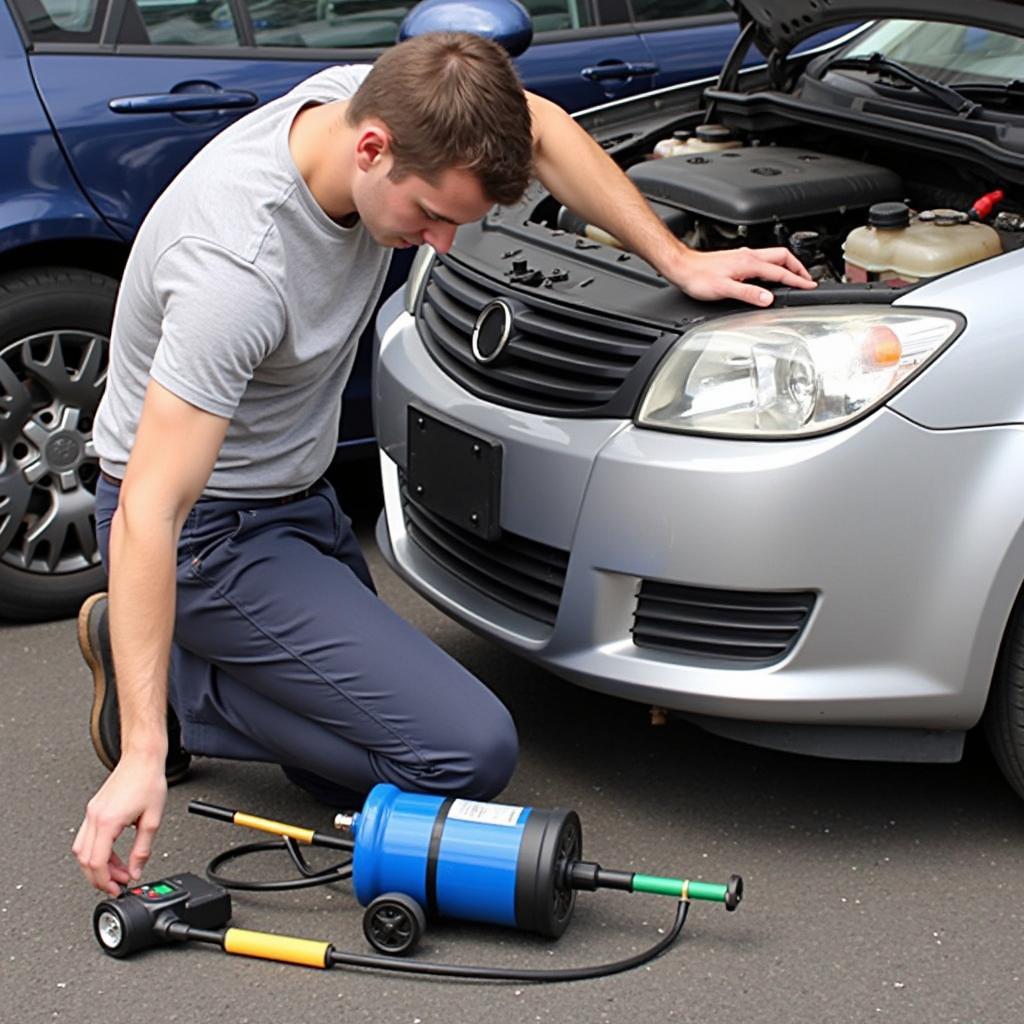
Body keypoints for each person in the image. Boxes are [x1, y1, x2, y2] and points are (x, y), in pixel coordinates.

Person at [73, 31, 815, 896]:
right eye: (431, 216)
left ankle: (186, 661)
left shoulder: (382, 97)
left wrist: (676, 258)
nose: (444, 244)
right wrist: (143, 761)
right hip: (207, 537)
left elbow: (537, 126)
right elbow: (148, 511)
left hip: (293, 501)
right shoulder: (235, 268)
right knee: (461, 756)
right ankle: (178, 693)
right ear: (372, 148)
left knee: (356, 777)